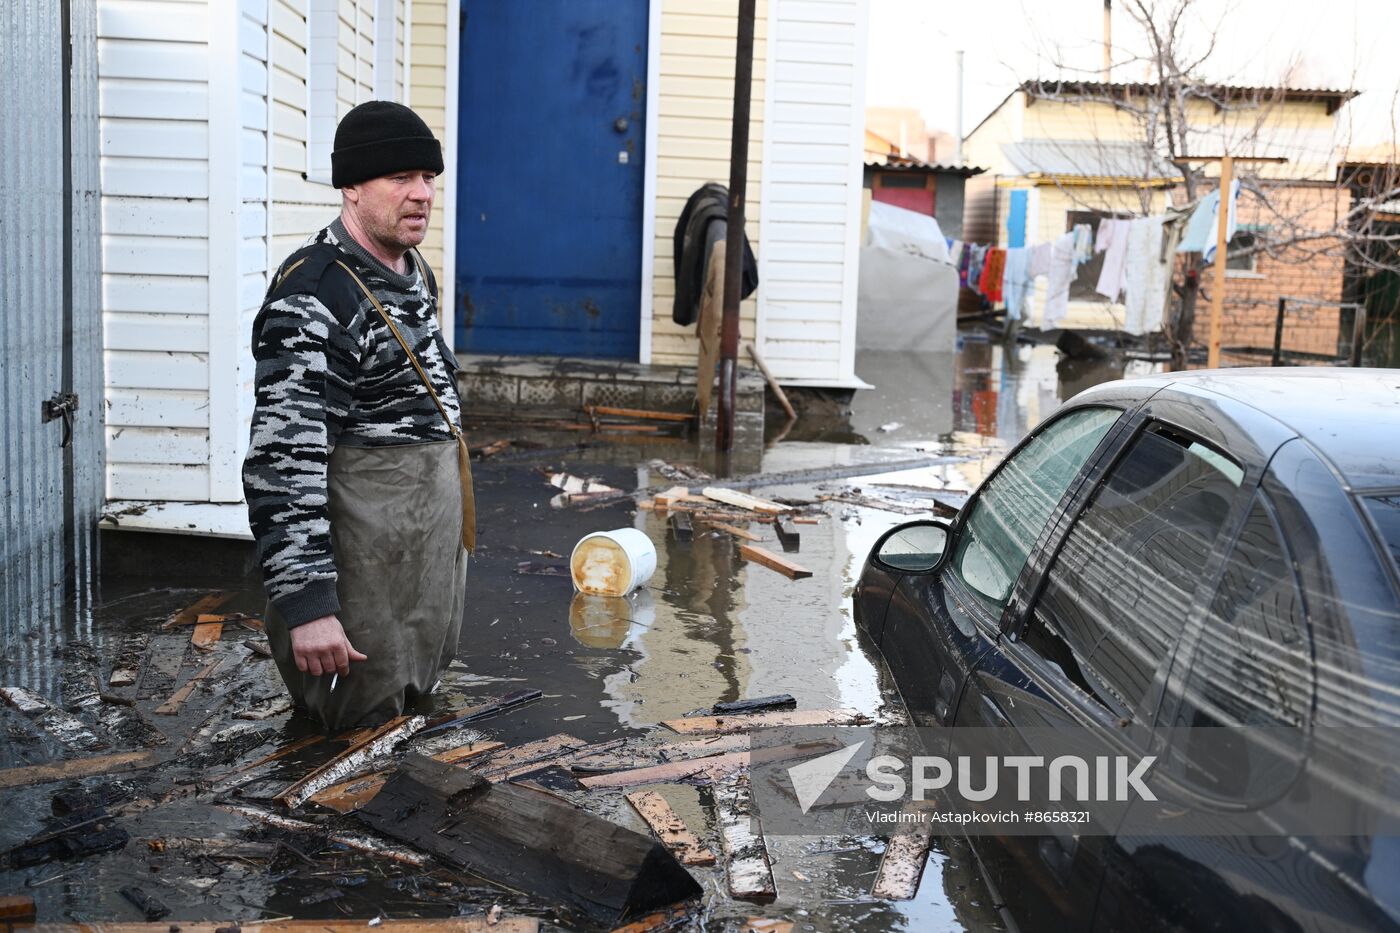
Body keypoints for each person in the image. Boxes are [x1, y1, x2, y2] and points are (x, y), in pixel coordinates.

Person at [242, 100, 476, 730]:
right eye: (400, 178)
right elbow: (282, 463)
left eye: (428, 178)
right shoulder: (317, 295)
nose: (422, 194)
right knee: (346, 757)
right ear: (350, 185)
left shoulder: (408, 266)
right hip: (361, 578)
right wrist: (309, 606)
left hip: (417, 562)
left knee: (410, 728)